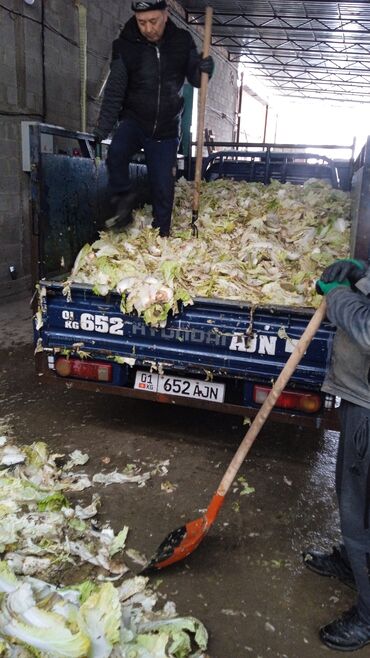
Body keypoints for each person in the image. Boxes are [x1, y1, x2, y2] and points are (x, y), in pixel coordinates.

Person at [93, 0, 214, 237]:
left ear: (166, 15)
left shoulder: (182, 41)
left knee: (163, 188)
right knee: (116, 154)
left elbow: (196, 79)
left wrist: (205, 68)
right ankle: (123, 201)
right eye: (141, 22)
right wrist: (102, 128)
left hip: (166, 128)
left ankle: (162, 237)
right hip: (134, 120)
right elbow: (115, 90)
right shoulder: (125, 45)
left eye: (153, 21)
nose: (148, 28)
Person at [303, 257, 370, 651]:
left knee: (360, 512)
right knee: (355, 501)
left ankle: (367, 617)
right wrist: (360, 276)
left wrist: (340, 295)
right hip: (359, 395)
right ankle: (353, 562)